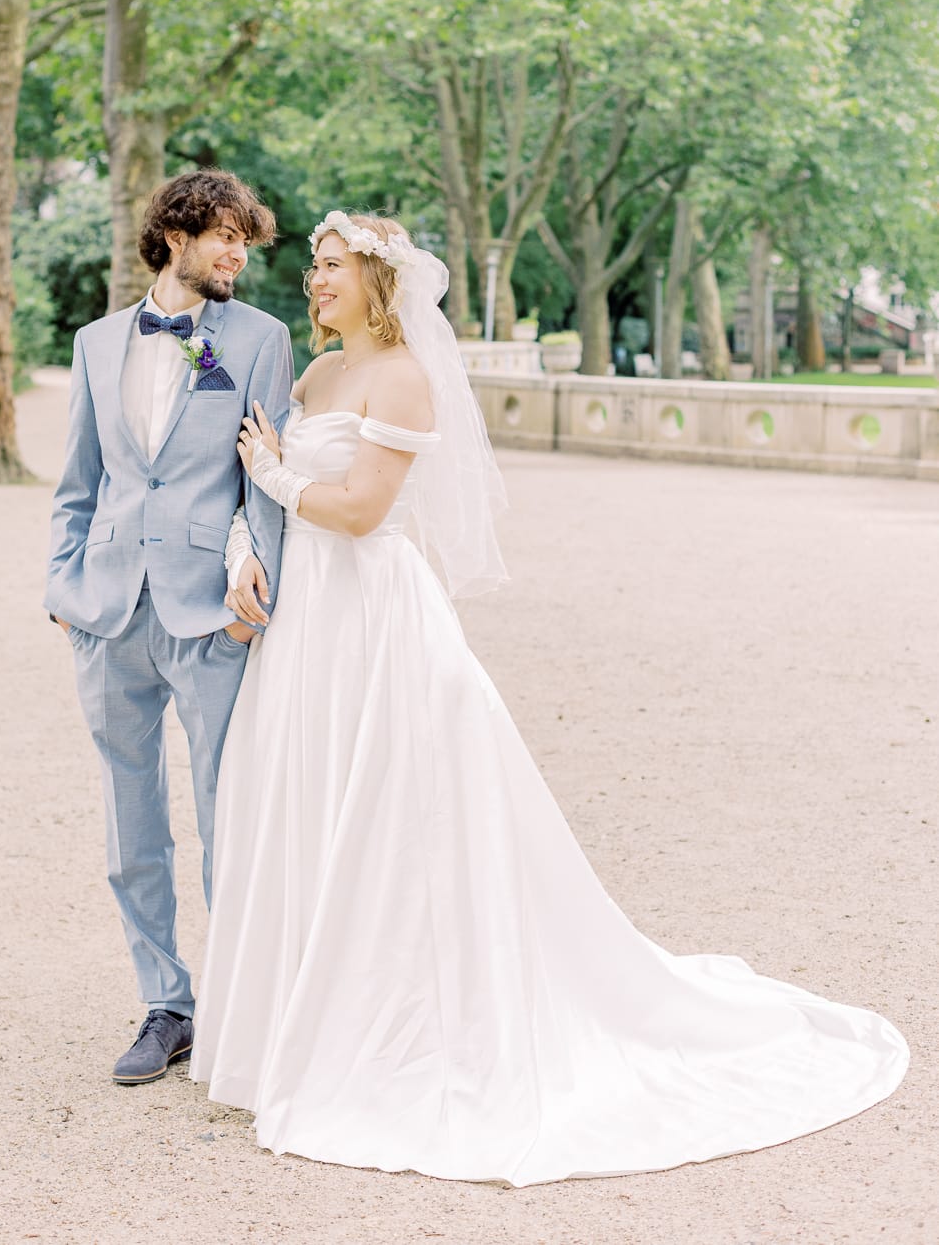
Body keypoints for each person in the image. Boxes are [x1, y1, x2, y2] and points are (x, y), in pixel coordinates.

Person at [189, 210, 909, 1185]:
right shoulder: (313, 377)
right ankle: (291, 1023)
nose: (312, 282)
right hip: (301, 627)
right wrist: (243, 545)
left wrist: (272, 471)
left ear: (376, 281)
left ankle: (389, 1026)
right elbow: (255, 501)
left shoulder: (403, 377)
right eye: (312, 267)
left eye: (328, 267)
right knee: (303, 807)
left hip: (372, 622)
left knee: (388, 823)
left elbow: (358, 512)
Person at [45, 169, 292, 1086]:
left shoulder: (262, 340)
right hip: (108, 611)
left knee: (231, 814)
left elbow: (264, 471)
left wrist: (252, 581)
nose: (237, 252)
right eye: (223, 236)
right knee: (129, 818)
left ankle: (236, 1001)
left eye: (245, 239)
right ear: (174, 238)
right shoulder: (97, 342)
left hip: (209, 614)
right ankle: (166, 1003)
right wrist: (62, 590)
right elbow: (79, 482)